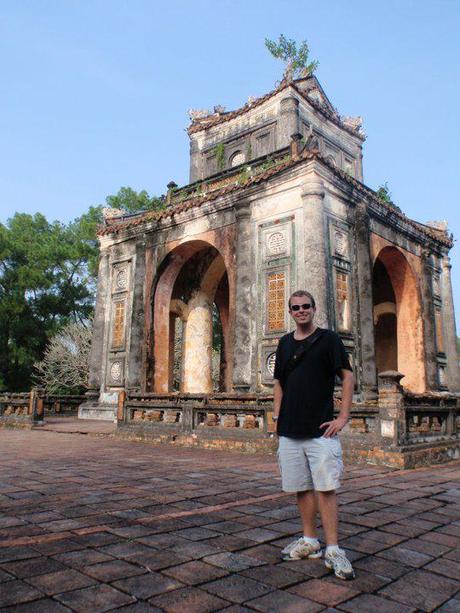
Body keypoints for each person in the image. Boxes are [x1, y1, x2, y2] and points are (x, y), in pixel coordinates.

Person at [273, 290, 355, 580]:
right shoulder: (284, 343)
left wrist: (343, 416)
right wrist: (276, 415)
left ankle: (333, 547)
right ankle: (310, 540)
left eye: (306, 306)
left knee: (326, 487)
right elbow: (279, 382)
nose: (301, 311)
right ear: (290, 311)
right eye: (296, 307)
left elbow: (347, 375)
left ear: (314, 308)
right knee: (302, 487)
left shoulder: (329, 339)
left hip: (321, 428)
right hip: (290, 428)